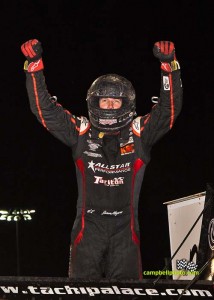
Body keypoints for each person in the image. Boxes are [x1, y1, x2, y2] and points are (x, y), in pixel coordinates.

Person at [21, 39, 183, 280]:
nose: (109, 106)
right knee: (81, 294)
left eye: (115, 101)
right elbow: (45, 111)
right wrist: (34, 66)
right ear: (93, 103)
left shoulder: (139, 132)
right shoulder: (81, 131)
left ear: (125, 104)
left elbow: (168, 112)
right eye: (104, 100)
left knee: (128, 294)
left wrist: (169, 68)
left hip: (126, 231)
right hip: (88, 230)